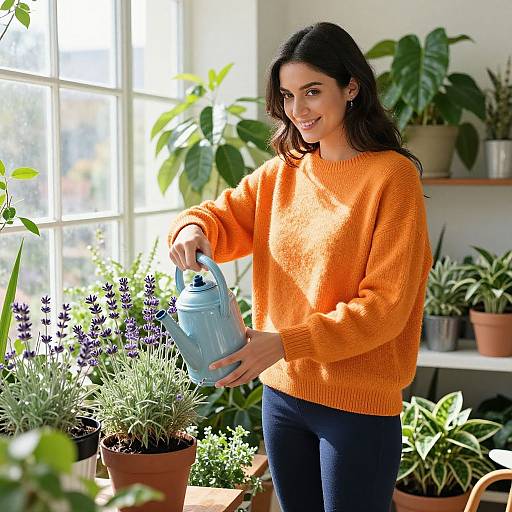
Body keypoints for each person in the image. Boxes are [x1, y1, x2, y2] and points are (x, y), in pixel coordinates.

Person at [168, 21, 433, 512]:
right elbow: (217, 216)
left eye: (312, 92)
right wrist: (191, 228)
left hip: (357, 407)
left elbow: (385, 308)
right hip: (283, 398)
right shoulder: (282, 173)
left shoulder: (391, 179)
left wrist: (288, 342)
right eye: (288, 96)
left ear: (351, 86)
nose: (298, 110)